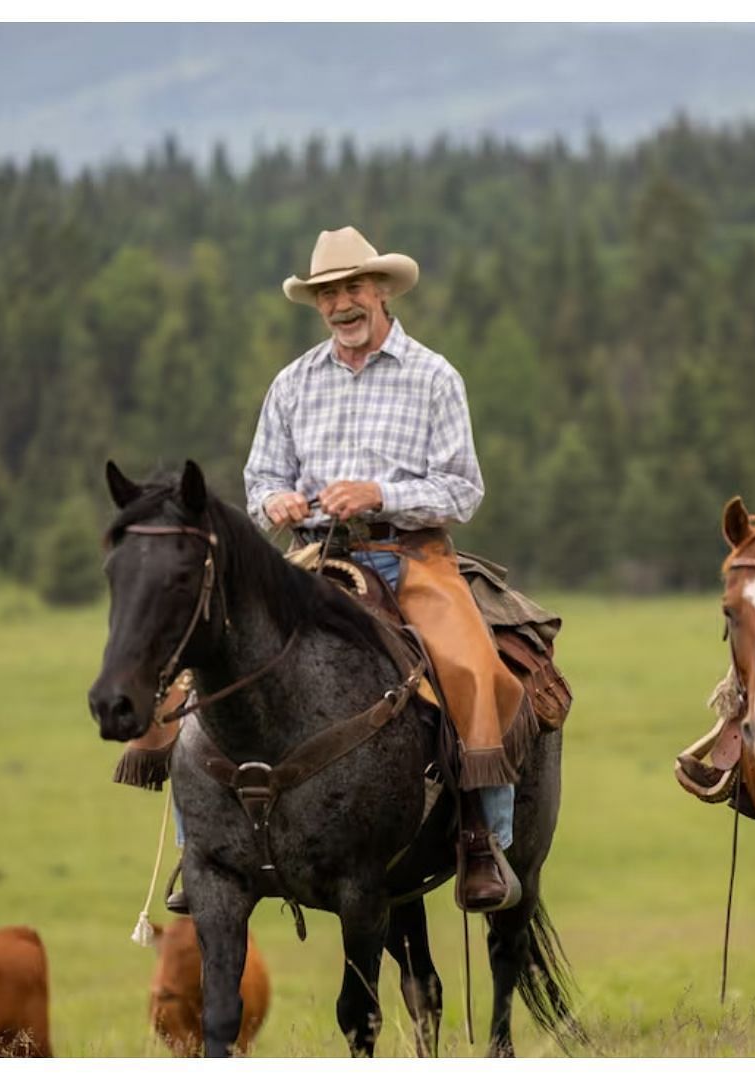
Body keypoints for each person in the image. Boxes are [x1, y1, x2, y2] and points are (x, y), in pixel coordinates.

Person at [169, 226, 526, 915]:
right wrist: (275, 498)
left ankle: (482, 838)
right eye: (328, 293)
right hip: (307, 558)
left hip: (408, 553)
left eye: (353, 288)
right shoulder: (293, 382)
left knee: (473, 666)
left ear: (382, 290)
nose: (341, 304)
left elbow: (464, 490)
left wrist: (380, 494)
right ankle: (199, 845)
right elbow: (260, 475)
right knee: (198, 667)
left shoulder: (433, 377)